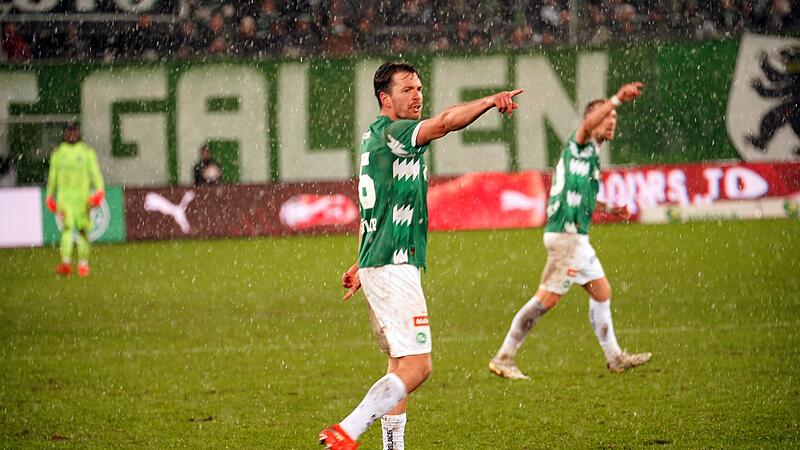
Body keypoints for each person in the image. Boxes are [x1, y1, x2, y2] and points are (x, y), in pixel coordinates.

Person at [319, 62, 522, 450]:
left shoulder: (374, 136)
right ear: (385, 98)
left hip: (381, 262)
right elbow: (445, 121)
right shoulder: (396, 133)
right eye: (408, 89)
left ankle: (392, 447)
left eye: (419, 88)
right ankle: (348, 429)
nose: (417, 95)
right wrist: (490, 101)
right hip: (393, 267)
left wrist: (364, 261)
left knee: (399, 365)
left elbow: (376, 204)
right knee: (418, 366)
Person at [489, 82, 652, 380]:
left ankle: (614, 357)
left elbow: (582, 197)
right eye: (607, 118)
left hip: (578, 238)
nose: (612, 122)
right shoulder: (578, 144)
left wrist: (609, 208)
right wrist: (616, 99)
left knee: (602, 292)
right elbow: (588, 123)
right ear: (593, 122)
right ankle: (504, 356)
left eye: (614, 119)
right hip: (566, 236)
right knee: (546, 301)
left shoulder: (590, 157)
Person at [45, 122, 105, 277]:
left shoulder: (87, 152)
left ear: (78, 133)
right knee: (67, 228)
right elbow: (52, 177)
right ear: (65, 134)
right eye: (69, 131)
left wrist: (99, 192)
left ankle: (83, 265)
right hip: (65, 197)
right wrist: (49, 196)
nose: (71, 134)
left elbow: (96, 174)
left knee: (83, 230)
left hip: (83, 198)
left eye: (74, 131)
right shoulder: (58, 154)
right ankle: (65, 263)